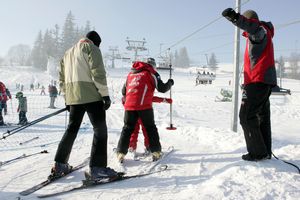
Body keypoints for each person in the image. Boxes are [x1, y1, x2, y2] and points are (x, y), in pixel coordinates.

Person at [50, 30, 118, 181]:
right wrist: (105, 95)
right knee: (100, 130)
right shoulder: (91, 48)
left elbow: (61, 79)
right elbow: (98, 73)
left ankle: (60, 164)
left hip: (73, 97)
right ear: (96, 42)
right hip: (92, 95)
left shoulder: (67, 53)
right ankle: (98, 168)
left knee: (72, 129)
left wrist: (67, 98)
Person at [222, 9, 277, 161]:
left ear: (250, 21)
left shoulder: (259, 32)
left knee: (246, 116)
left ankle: (257, 152)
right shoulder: (263, 33)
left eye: (246, 23)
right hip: (263, 81)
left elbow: (253, 27)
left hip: (257, 80)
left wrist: (235, 18)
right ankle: (265, 151)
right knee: (262, 117)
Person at [116, 57, 174, 162]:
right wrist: (170, 82)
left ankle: (120, 153)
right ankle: (155, 151)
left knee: (127, 128)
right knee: (150, 128)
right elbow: (162, 88)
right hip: (144, 106)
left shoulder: (131, 74)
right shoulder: (151, 72)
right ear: (153, 66)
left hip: (129, 106)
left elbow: (124, 91)